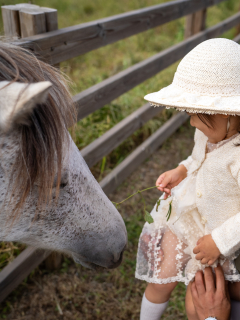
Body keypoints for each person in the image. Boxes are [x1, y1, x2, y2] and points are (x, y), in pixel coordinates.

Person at [135, 38, 240, 320]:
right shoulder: (208, 132)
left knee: (210, 296)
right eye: (190, 114)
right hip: (191, 216)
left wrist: (219, 241)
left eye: (199, 115)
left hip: (225, 235)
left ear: (232, 113)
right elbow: (197, 159)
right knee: (163, 272)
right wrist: (181, 171)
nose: (192, 123)